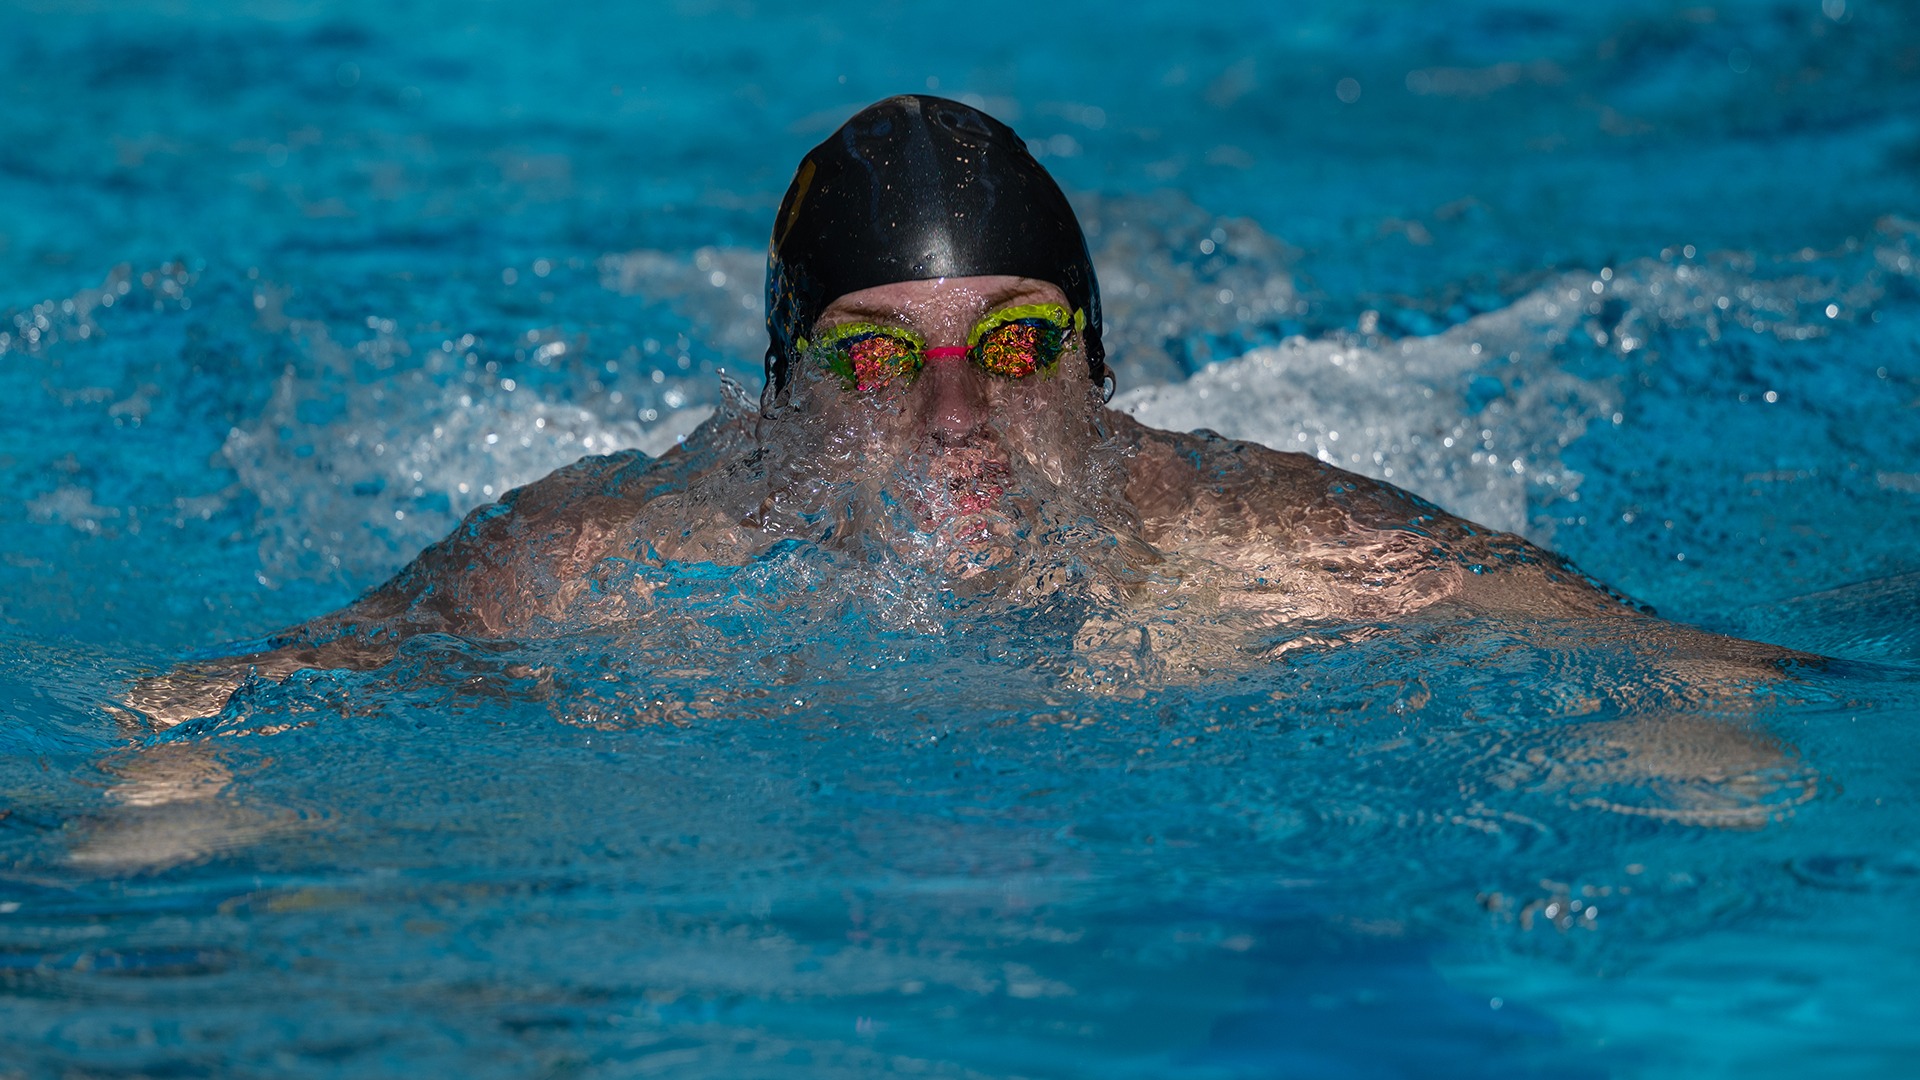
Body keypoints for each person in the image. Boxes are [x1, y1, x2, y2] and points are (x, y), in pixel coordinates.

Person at [125, 96, 1804, 736]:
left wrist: (1680, 729)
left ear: (1094, 371)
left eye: (1012, 346)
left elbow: (1661, 652)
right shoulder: (619, 557)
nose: (952, 413)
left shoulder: (1244, 537)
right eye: (870, 359)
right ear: (780, 402)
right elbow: (245, 691)